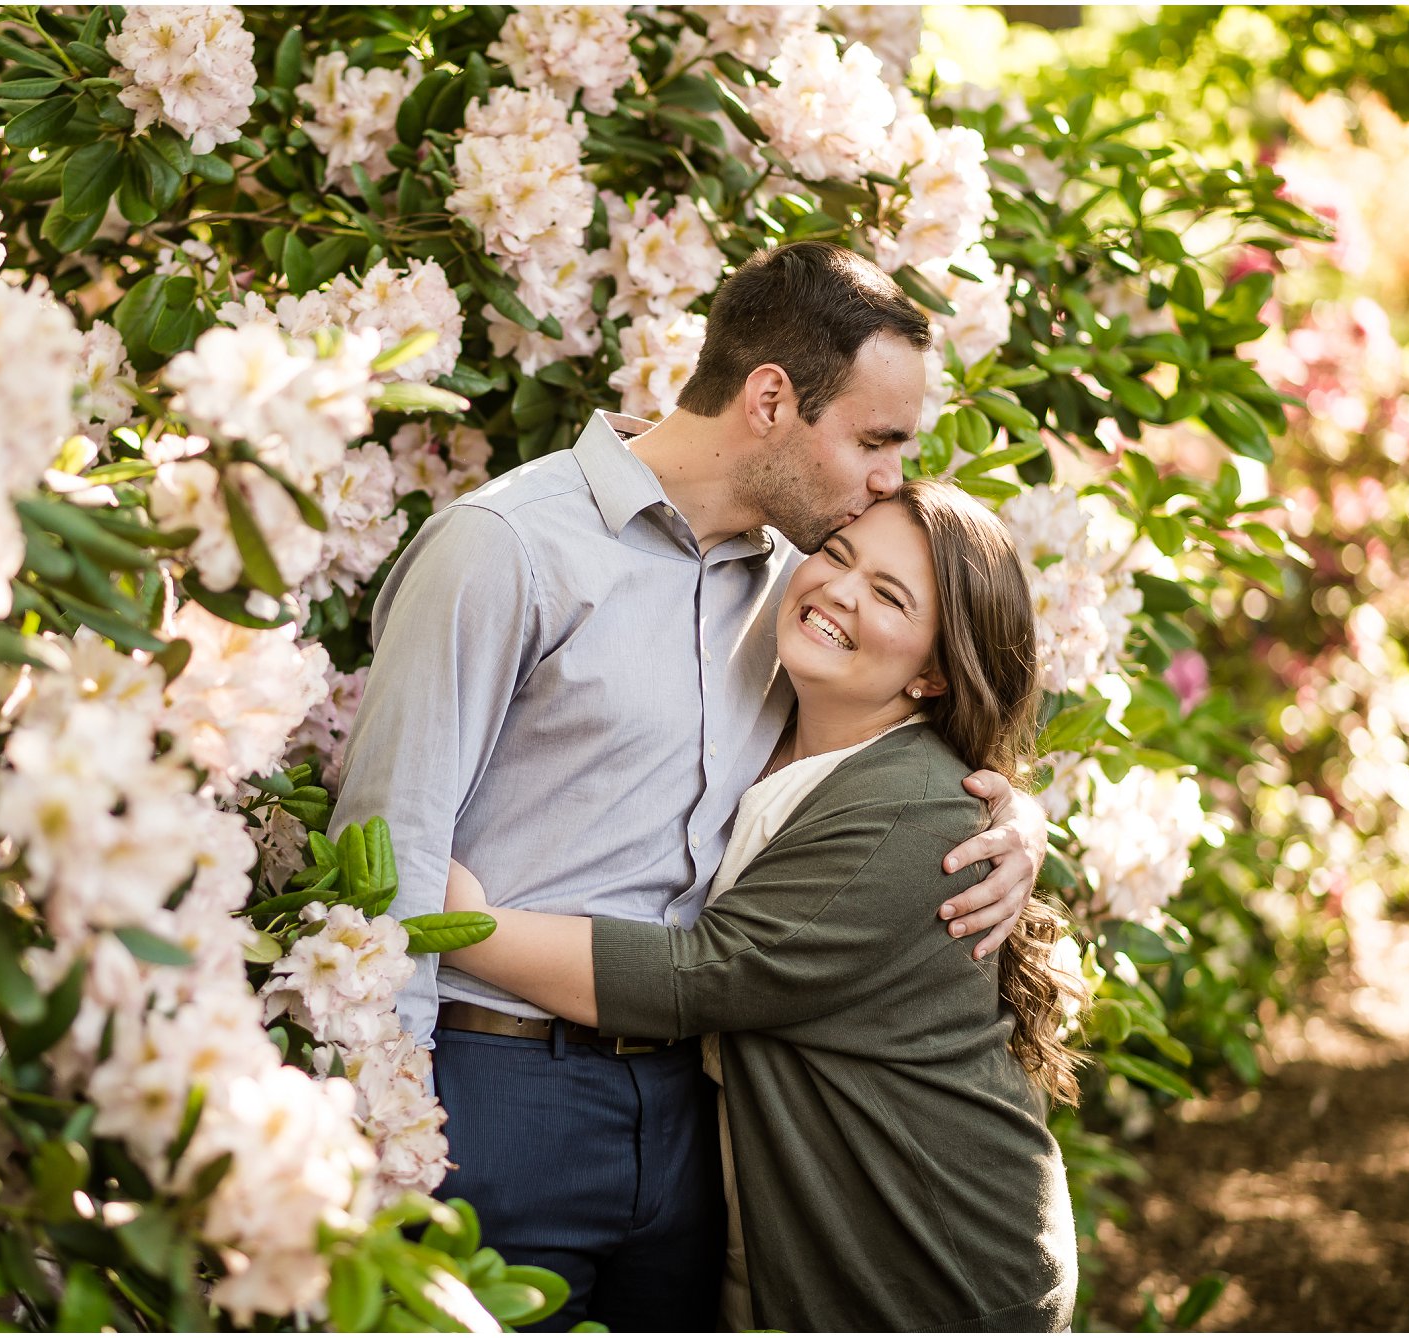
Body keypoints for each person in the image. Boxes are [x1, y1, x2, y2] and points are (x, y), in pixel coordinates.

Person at [329, 240, 1050, 1331]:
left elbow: (879, 751)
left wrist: (1013, 816)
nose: (888, 478)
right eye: (872, 440)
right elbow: (384, 852)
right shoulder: (508, 548)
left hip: (694, 1123)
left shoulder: (794, 587)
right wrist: (383, 1127)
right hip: (496, 1086)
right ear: (770, 399)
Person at [443, 479, 1083, 1331]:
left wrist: (456, 923)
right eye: (837, 555)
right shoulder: (775, 719)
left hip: (927, 1254)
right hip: (779, 1220)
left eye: (889, 596)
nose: (839, 591)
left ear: (933, 671)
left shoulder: (915, 809)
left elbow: (697, 976)